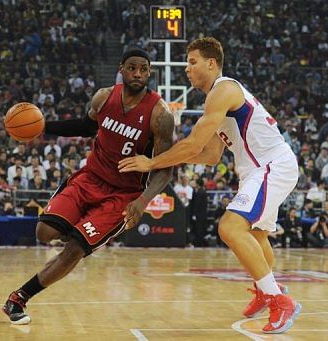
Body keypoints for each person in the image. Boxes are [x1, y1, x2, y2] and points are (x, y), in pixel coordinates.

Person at [118, 37, 300, 334]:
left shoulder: (224, 90)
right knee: (257, 235)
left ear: (211, 63)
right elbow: (211, 155)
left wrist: (152, 162)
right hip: (260, 169)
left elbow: (192, 145)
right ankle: (266, 289)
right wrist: (170, 160)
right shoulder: (217, 98)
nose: (187, 69)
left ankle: (280, 300)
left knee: (230, 228)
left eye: (192, 62)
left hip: (270, 165)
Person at [2, 48, 174, 325]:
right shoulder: (104, 97)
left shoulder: (160, 114)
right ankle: (76, 235)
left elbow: (166, 167)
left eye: (143, 69)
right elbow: (86, 126)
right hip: (89, 178)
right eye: (132, 68)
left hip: (122, 195)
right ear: (121, 68)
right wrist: (43, 127)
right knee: (44, 232)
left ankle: (19, 298)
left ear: (149, 72)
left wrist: (143, 201)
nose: (138, 74)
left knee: (74, 250)